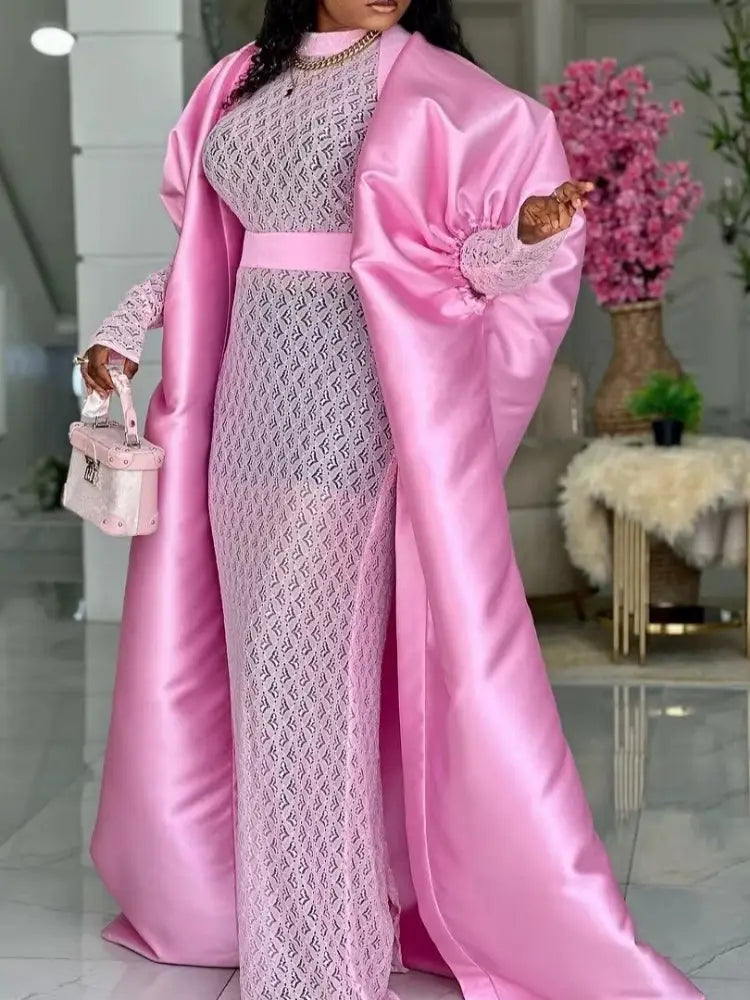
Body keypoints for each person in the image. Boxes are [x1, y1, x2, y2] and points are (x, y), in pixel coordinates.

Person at [80, 2, 702, 1000]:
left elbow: (457, 269)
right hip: (247, 417)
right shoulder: (236, 83)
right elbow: (206, 252)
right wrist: (122, 329)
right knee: (265, 680)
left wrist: (526, 238)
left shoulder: (432, 90)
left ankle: (324, 963)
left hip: (354, 407)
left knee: (317, 683)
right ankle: (304, 931)